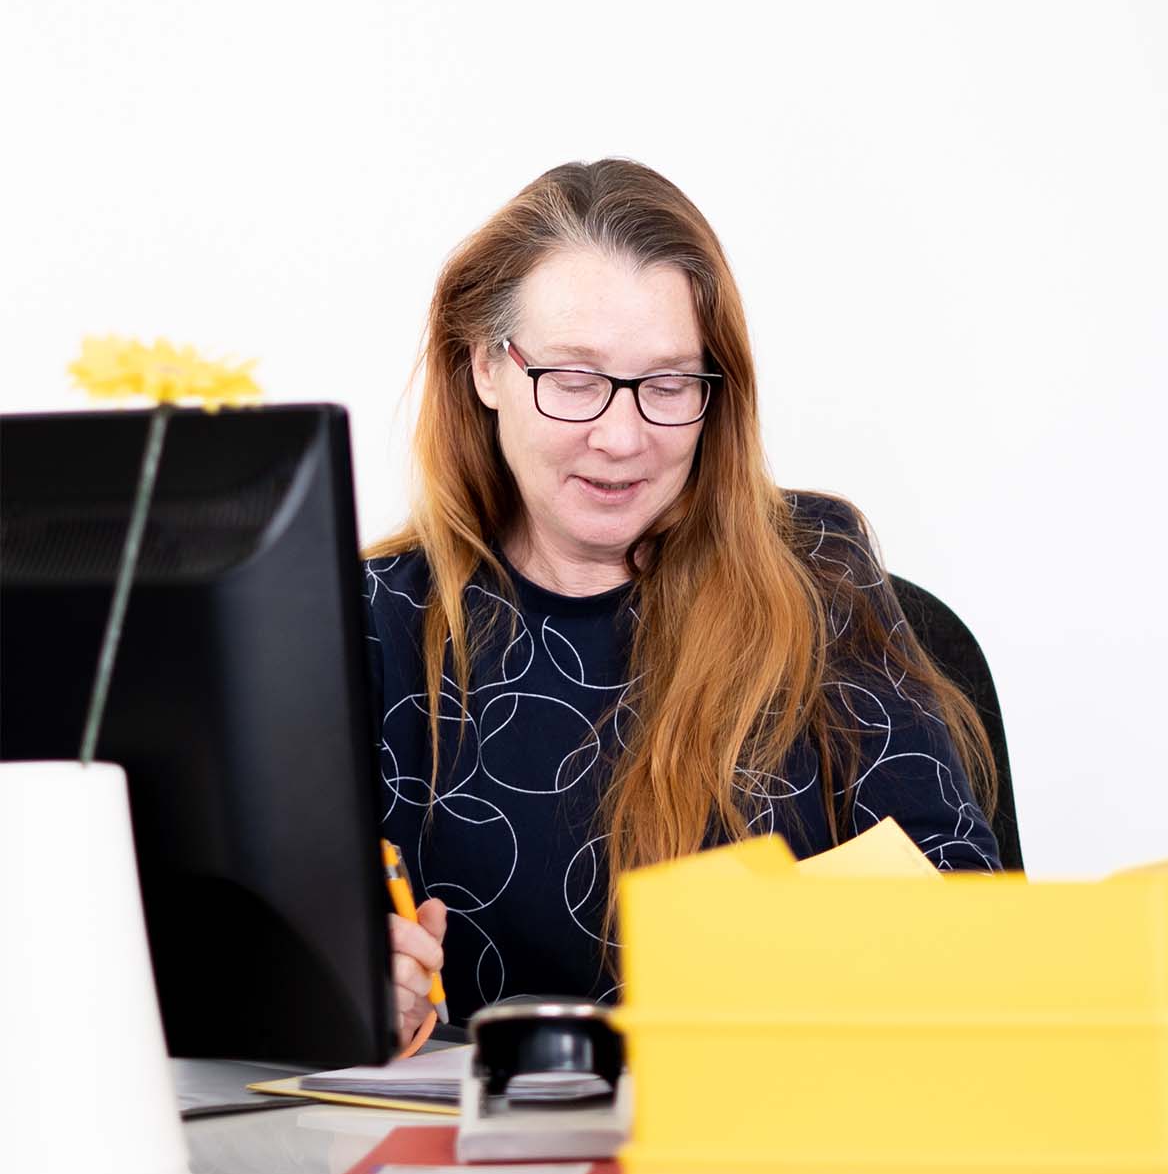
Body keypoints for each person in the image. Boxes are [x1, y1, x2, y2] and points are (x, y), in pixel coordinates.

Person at [365, 159, 1000, 1048]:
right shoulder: (372, 621)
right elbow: (291, 961)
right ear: (485, 368)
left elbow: (963, 905)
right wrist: (356, 998)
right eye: (575, 380)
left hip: (771, 1114)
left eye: (668, 386)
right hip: (479, 1131)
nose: (621, 437)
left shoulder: (817, 576)